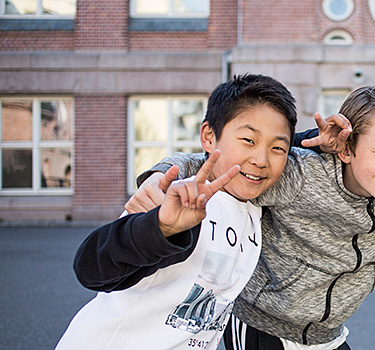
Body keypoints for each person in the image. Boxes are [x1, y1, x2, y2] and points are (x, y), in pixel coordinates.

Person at [130, 83, 375, 350]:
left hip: (327, 335)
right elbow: (223, 161)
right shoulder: (301, 178)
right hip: (261, 327)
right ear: (347, 149)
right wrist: (161, 179)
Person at [56, 73, 297, 350]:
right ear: (208, 136)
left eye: (278, 148)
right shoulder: (178, 197)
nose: (261, 159)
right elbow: (92, 268)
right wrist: (161, 228)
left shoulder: (255, 208)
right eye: (248, 140)